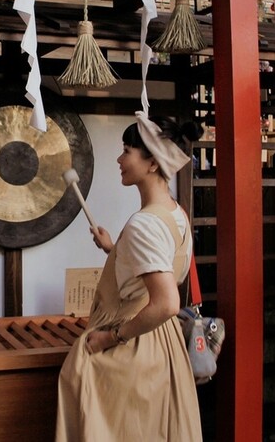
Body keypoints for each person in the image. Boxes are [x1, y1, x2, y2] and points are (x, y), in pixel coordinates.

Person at [56, 113, 204, 441]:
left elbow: (166, 303)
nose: (119, 159)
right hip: (163, 344)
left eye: (127, 151)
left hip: (135, 346)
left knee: (88, 394)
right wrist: (114, 248)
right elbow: (152, 272)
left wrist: (111, 339)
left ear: (152, 163)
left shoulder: (144, 225)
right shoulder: (176, 214)